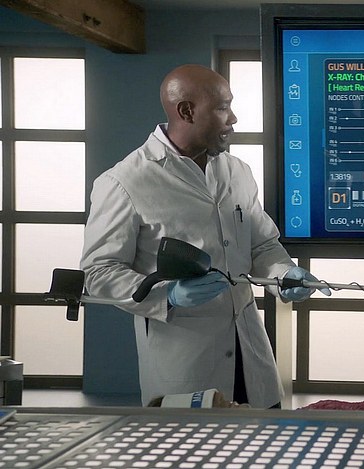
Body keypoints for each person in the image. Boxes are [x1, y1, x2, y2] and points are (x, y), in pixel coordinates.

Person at [80, 64, 329, 408]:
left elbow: (262, 244)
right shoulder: (124, 182)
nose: (233, 119)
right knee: (194, 442)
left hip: (251, 357)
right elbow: (99, 272)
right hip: (185, 366)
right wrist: (168, 294)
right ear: (187, 111)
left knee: (263, 438)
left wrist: (284, 274)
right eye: (223, 108)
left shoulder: (237, 171)